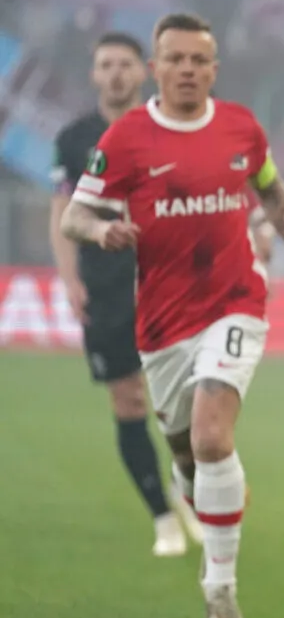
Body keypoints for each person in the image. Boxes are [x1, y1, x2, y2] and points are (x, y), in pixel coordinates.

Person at [60, 12, 284, 618]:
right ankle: (194, 494)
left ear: (214, 68)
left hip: (236, 301)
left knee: (212, 438)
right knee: (185, 449)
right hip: (161, 323)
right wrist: (102, 230)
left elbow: (274, 194)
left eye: (198, 60)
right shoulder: (126, 139)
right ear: (157, 69)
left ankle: (220, 584)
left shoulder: (241, 128)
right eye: (175, 59)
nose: (187, 69)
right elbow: (76, 214)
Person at [48, 31, 202, 557]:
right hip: (107, 284)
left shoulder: (172, 129)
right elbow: (62, 213)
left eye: (124, 64)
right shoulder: (73, 140)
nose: (114, 73)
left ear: (145, 71)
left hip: (169, 281)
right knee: (128, 397)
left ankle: (188, 491)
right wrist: (70, 278)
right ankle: (162, 516)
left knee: (180, 400)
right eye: (105, 64)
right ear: (94, 74)